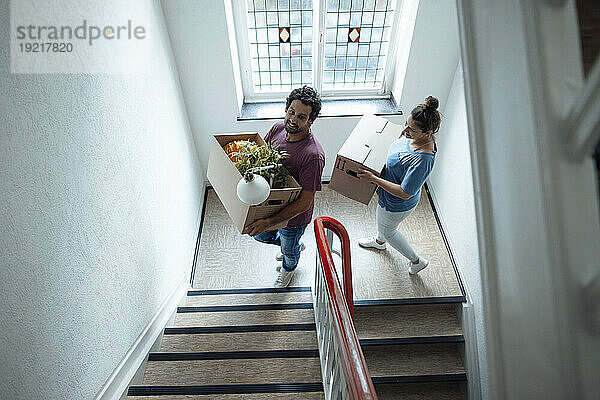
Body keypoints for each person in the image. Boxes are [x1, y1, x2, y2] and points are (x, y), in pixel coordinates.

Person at [247, 86, 325, 287]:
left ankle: (289, 268)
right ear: (286, 108)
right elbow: (260, 160)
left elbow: (304, 203)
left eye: (301, 117)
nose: (293, 119)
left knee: (288, 251)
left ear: (311, 121)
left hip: (294, 218)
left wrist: (270, 221)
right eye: (291, 111)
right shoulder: (277, 129)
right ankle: (293, 247)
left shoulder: (312, 155)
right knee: (261, 237)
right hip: (269, 204)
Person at [357, 96, 441, 275]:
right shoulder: (413, 139)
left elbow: (404, 192)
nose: (405, 130)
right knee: (382, 223)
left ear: (427, 133)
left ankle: (417, 261)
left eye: (411, 129)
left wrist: (373, 178)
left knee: (390, 232)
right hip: (387, 194)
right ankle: (380, 242)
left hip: (397, 203)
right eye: (406, 123)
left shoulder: (423, 160)